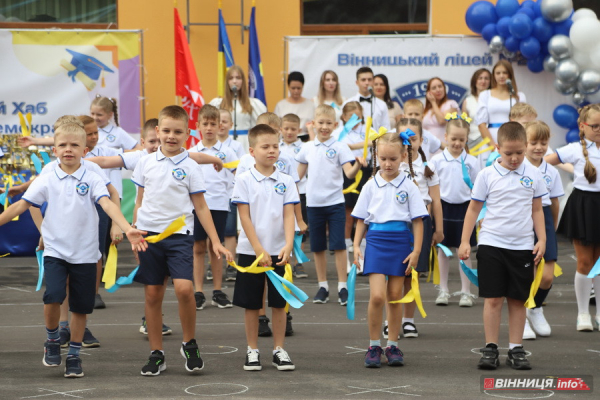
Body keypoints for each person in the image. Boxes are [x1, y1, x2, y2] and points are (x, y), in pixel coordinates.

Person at [0, 122, 147, 378]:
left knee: (81, 307)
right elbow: (20, 206)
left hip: (86, 254)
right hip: (56, 251)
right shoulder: (47, 178)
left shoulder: (91, 177)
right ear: (54, 150)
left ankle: (75, 355)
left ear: (85, 150)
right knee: (53, 296)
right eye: (63, 145)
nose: (69, 149)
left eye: (75, 145)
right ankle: (52, 340)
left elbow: (108, 204)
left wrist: (124, 226)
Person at [131, 105, 232, 376]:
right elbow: (139, 201)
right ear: (157, 132)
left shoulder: (190, 165)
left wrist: (216, 241)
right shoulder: (146, 162)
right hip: (149, 237)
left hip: (179, 237)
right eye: (166, 130)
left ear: (187, 134)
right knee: (153, 294)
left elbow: (201, 207)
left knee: (185, 290)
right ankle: (156, 353)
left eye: (177, 131)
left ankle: (189, 343)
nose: (171, 136)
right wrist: (133, 229)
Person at [459, 122, 546, 371]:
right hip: (491, 243)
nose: (515, 158)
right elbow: (474, 208)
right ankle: (491, 347)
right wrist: (466, 241)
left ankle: (516, 348)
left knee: (518, 299)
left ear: (526, 147)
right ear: (497, 148)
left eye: (519, 152)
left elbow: (537, 209)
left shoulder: (534, 174)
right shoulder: (487, 175)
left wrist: (542, 240)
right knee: (494, 299)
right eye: (508, 153)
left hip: (522, 247)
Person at [352, 131, 427, 368]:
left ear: (403, 156)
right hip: (375, 243)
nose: (387, 164)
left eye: (393, 159)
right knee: (377, 296)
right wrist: (355, 245)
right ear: (376, 156)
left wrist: (416, 251)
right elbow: (362, 219)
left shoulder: (410, 186)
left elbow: (417, 220)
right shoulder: (370, 185)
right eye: (383, 158)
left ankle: (392, 345)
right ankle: (374, 345)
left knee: (395, 297)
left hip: (400, 244)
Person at [231, 124, 299, 371]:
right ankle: (252, 350)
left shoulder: (287, 180)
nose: (272, 151)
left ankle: (279, 349)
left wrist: (289, 245)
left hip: (279, 251)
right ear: (252, 150)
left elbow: (289, 214)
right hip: (251, 252)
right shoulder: (244, 180)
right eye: (265, 146)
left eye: (275, 146)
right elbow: (245, 218)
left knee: (279, 303)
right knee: (251, 304)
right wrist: (259, 250)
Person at [296, 105, 366, 305]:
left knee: (339, 245)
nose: (324, 127)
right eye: (321, 123)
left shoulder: (340, 146)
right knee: (317, 247)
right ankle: (323, 286)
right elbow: (297, 176)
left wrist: (358, 164)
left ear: (336, 125)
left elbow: (349, 174)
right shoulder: (307, 147)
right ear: (313, 124)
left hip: (335, 203)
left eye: (329, 123)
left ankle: (342, 286)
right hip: (314, 205)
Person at [545, 103, 600, 332]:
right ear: (582, 126)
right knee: (585, 262)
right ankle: (583, 313)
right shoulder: (574, 149)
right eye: (594, 125)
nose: (598, 129)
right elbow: (544, 162)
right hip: (583, 206)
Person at [395, 118, 443, 338]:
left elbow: (435, 200)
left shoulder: (428, 167)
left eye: (413, 138)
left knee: (412, 273)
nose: (408, 142)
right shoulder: (392, 164)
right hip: (395, 224)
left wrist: (438, 229)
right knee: (393, 274)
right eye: (404, 138)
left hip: (420, 223)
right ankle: (391, 319)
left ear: (422, 140)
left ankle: (408, 320)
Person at [189, 105, 238, 310]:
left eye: (213, 124)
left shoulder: (227, 152)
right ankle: (198, 291)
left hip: (218, 205)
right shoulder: (191, 153)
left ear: (219, 126)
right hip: (197, 206)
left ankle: (217, 291)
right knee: (198, 247)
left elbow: (236, 177)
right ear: (198, 125)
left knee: (216, 247)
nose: (209, 128)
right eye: (205, 124)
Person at [430, 116, 480, 307]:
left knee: (464, 251)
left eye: (461, 139)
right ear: (446, 137)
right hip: (442, 208)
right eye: (454, 138)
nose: (457, 143)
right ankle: (443, 289)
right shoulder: (437, 161)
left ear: (467, 139)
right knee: (443, 250)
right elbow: (431, 186)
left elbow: (477, 187)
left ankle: (466, 292)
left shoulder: (472, 162)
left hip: (466, 209)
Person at [522, 121, 564, 340]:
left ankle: (535, 308)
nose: (538, 147)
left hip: (545, 219)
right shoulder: (518, 167)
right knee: (526, 272)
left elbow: (554, 203)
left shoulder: (552, 172)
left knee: (547, 276)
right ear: (524, 143)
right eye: (533, 142)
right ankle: (522, 316)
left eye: (543, 143)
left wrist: (552, 228)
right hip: (522, 218)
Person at [335, 101, 371, 258]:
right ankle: (347, 245)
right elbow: (341, 146)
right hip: (347, 170)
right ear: (343, 117)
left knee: (364, 211)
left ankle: (363, 247)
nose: (356, 121)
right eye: (351, 117)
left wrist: (353, 146)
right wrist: (357, 146)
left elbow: (374, 142)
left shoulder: (368, 129)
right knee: (348, 211)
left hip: (365, 170)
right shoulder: (339, 132)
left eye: (359, 117)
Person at [90, 95, 142, 196]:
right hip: (91, 184)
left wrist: (117, 155)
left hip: (112, 184)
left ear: (110, 115)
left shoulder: (117, 132)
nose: (95, 117)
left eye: (99, 114)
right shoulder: (86, 131)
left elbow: (139, 149)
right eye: (92, 113)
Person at [210, 65, 267, 152]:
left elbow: (260, 127)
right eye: (231, 78)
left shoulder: (253, 103)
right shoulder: (218, 103)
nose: (235, 81)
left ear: (243, 81)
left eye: (238, 78)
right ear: (227, 82)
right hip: (223, 141)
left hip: (245, 143)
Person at [217, 109, 246, 282]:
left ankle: (230, 264)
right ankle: (213, 264)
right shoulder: (206, 146)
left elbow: (241, 169)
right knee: (213, 233)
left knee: (229, 232)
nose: (221, 124)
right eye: (217, 121)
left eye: (225, 121)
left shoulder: (236, 146)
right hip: (211, 196)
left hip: (230, 194)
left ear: (231, 125)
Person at [279, 113, 309, 279]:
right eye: (286, 128)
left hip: (301, 191)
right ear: (280, 129)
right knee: (285, 226)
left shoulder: (304, 147)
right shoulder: (276, 147)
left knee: (300, 227)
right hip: (280, 193)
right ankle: (285, 258)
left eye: (293, 129)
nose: (289, 132)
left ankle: (299, 263)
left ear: (299, 129)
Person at [476, 60, 526, 147]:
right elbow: (481, 124)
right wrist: (493, 147)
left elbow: (524, 122)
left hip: (513, 139)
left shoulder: (519, 96)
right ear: (494, 75)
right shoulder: (485, 95)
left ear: (510, 75)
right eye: (498, 73)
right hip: (491, 141)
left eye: (504, 73)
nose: (501, 76)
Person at [344, 67, 391, 131]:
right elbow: (343, 128)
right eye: (363, 80)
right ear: (357, 82)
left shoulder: (381, 104)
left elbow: (386, 129)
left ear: (373, 81)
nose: (367, 83)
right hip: (353, 140)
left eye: (369, 80)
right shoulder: (347, 103)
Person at [274, 71, 316, 139]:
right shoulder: (280, 105)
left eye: (299, 88)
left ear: (303, 87)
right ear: (288, 87)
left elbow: (315, 127)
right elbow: (276, 127)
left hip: (305, 140)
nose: (296, 91)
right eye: (293, 88)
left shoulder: (311, 105)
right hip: (285, 140)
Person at [422, 77, 459, 147]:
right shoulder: (426, 109)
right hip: (428, 147)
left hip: (444, 146)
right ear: (428, 92)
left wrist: (433, 102)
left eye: (440, 86)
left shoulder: (451, 104)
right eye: (434, 88)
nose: (438, 90)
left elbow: (441, 120)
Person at [462, 68, 492, 150]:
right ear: (475, 81)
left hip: (491, 139)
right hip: (473, 140)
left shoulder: (494, 100)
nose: (483, 81)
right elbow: (464, 124)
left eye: (486, 78)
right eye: (480, 78)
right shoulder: (468, 101)